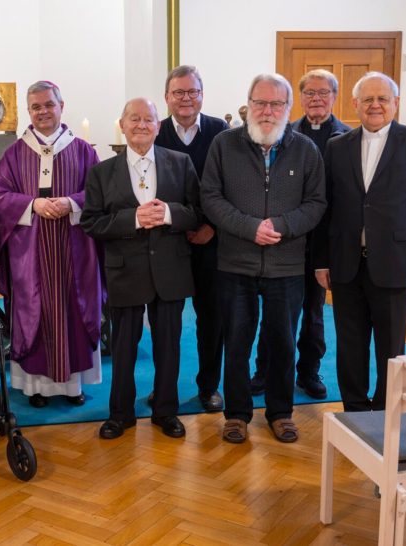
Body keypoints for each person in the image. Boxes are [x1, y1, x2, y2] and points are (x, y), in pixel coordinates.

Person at [200, 74, 326, 444]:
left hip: (286, 266)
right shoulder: (224, 145)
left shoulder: (305, 149)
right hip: (235, 263)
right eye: (260, 102)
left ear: (288, 108)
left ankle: (280, 412)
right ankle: (237, 415)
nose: (267, 111)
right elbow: (211, 197)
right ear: (248, 104)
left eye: (276, 104)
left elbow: (317, 203)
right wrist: (248, 227)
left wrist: (283, 226)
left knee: (282, 343)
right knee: (236, 342)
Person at [314, 72, 406, 412]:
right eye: (367, 99)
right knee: (350, 342)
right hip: (345, 263)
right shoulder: (336, 146)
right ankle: (355, 408)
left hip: (397, 263)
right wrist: (322, 260)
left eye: (382, 99)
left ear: (395, 104)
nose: (375, 105)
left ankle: (386, 410)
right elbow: (327, 207)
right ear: (354, 104)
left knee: (391, 346)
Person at [82, 98, 200, 439]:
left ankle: (166, 411)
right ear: (122, 124)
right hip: (125, 271)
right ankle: (120, 413)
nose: (141, 125)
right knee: (123, 348)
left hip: (170, 271)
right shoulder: (101, 172)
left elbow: (197, 213)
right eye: (134, 119)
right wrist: (133, 218)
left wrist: (168, 214)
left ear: (158, 126)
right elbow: (91, 222)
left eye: (149, 119)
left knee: (169, 346)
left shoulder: (181, 163)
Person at [0, 81, 102, 409]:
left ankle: (72, 386)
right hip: (30, 254)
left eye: (48, 105)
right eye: (35, 107)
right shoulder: (13, 154)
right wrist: (32, 206)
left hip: (74, 251)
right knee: (33, 312)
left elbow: (99, 193)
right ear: (28, 111)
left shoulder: (83, 150)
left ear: (61, 106)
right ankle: (34, 386)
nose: (42, 112)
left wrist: (71, 203)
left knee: (72, 311)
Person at [252, 69, 351, 399]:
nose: (317, 99)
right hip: (288, 239)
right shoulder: (285, 133)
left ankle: (308, 371)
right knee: (275, 312)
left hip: (323, 244)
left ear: (334, 98)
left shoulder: (348, 137)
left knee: (313, 311)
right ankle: (264, 370)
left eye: (324, 93)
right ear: (300, 98)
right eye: (310, 93)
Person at [155, 65, 229, 413]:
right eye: (178, 92)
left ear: (202, 95)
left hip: (212, 242)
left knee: (212, 317)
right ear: (167, 97)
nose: (186, 99)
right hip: (167, 242)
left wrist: (211, 227)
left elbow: (233, 186)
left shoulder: (221, 132)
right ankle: (164, 387)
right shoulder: (153, 131)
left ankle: (209, 386)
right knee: (165, 321)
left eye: (192, 92)